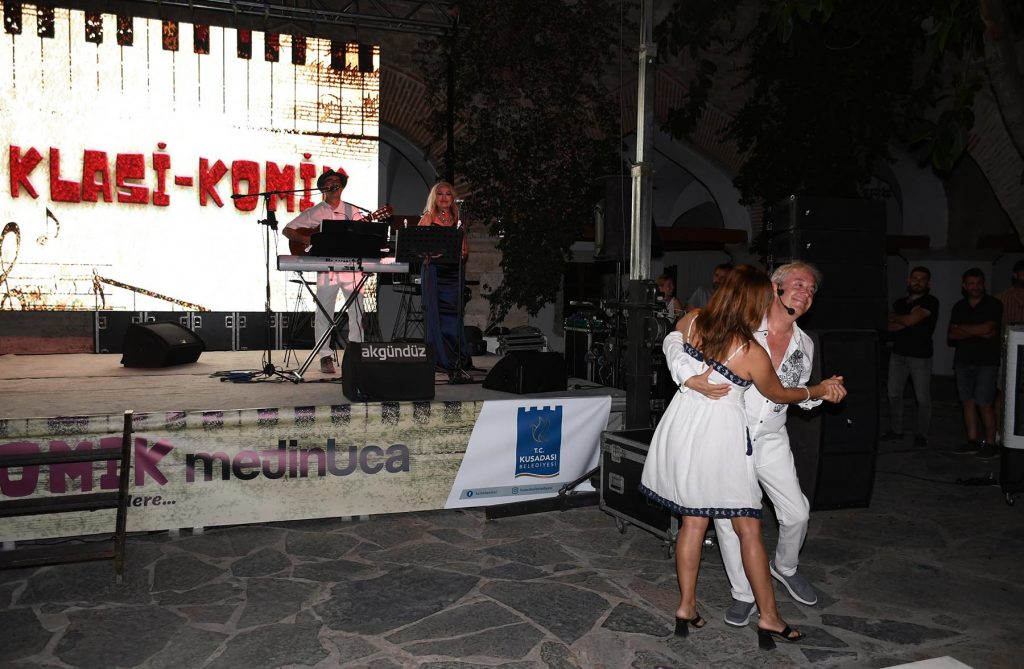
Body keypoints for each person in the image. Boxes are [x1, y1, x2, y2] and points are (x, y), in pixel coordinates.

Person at [640, 265, 846, 650]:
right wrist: (820, 389)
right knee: (745, 525)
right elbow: (779, 392)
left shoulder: (697, 320)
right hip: (728, 438)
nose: (805, 293)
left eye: (811, 289)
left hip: (694, 431)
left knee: (696, 521)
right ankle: (761, 610)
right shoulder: (750, 347)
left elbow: (672, 337)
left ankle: (687, 606)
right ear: (767, 294)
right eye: (797, 285)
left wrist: (686, 375)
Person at [282, 168, 364, 374]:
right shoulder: (315, 211)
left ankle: (357, 354)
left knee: (357, 311)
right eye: (329, 181)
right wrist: (306, 239)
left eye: (337, 181)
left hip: (351, 267)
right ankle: (325, 356)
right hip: (326, 268)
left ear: (342, 187)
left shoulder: (352, 210)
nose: (334, 183)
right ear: (322, 188)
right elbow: (287, 230)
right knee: (324, 312)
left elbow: (362, 235)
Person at [418, 181, 472, 376]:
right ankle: (439, 358)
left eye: (448, 194)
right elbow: (417, 247)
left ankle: (457, 357)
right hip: (434, 271)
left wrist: (461, 253)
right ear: (434, 197)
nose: (444, 197)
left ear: (452, 198)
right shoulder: (428, 217)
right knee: (436, 314)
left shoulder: (458, 220)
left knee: (454, 314)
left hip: (453, 272)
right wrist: (433, 254)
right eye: (440, 194)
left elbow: (465, 250)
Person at [883, 266, 940, 448]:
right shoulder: (900, 302)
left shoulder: (931, 301)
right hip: (898, 354)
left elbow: (907, 321)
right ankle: (896, 430)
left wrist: (902, 319)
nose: (918, 282)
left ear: (928, 283)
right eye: (915, 278)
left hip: (920, 357)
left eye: (922, 279)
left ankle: (922, 434)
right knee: (893, 394)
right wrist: (908, 319)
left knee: (922, 398)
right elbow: (888, 326)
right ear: (909, 281)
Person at [948, 267, 1002, 459]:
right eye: (971, 283)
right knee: (967, 402)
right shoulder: (959, 306)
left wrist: (963, 329)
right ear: (964, 286)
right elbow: (952, 334)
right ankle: (972, 441)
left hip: (987, 362)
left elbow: (990, 329)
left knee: (984, 403)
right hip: (963, 361)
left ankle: (991, 444)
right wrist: (979, 330)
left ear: (983, 284)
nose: (975, 287)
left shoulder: (994, 304)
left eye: (978, 283)